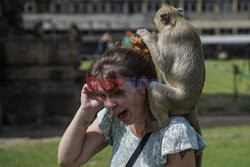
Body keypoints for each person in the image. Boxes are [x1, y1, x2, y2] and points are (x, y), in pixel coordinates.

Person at [58, 47, 207, 167]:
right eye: (103, 95)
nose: (109, 105)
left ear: (142, 86)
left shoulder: (176, 134)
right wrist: (85, 110)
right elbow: (68, 160)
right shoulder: (112, 120)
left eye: (117, 93)